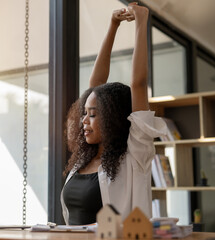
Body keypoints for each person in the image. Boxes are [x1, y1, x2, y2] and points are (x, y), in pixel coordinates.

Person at [61, 3, 167, 225]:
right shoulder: (84, 160)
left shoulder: (134, 154)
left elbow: (138, 84)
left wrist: (141, 22)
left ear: (112, 117)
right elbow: (95, 86)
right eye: (85, 114)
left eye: (92, 115)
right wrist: (112, 25)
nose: (84, 121)